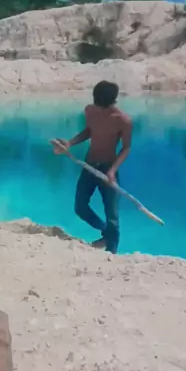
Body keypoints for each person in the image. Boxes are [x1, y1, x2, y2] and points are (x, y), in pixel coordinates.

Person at [53, 81, 132, 253]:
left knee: (112, 215)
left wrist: (112, 170)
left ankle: (111, 252)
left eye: (104, 108)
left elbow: (126, 147)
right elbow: (89, 130)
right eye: (98, 106)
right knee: (80, 207)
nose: (100, 111)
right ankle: (106, 233)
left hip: (108, 169)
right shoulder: (90, 110)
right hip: (89, 165)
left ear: (113, 102)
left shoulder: (123, 120)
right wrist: (70, 143)